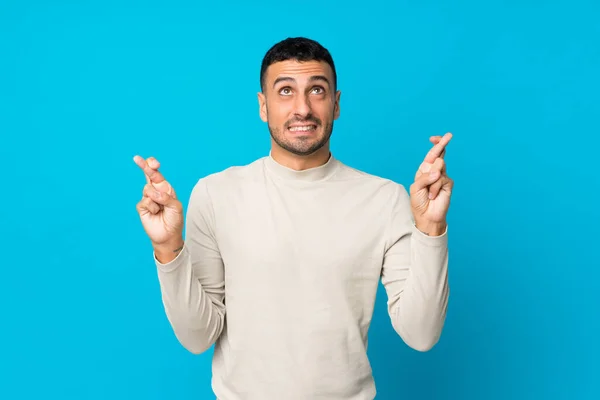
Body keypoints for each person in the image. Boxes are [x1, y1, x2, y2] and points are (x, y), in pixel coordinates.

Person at [133, 37, 453, 400]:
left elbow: (422, 334)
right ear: (263, 106)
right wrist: (168, 247)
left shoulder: (384, 198)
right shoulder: (216, 193)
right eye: (285, 90)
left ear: (336, 104)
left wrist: (431, 228)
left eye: (317, 89)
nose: (302, 108)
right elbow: (197, 337)